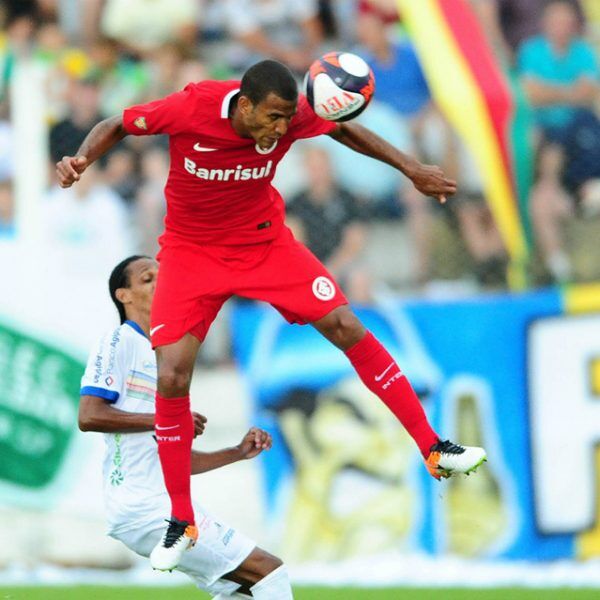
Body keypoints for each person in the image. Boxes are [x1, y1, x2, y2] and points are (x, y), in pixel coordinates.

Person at [56, 59, 487, 571]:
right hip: (192, 254)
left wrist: (411, 169)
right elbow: (117, 124)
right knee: (172, 373)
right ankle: (181, 519)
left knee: (347, 325)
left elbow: (345, 130)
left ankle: (433, 447)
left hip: (265, 244)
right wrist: (81, 159)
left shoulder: (294, 115)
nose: (283, 130)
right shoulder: (191, 106)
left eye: (288, 120)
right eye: (274, 118)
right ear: (243, 106)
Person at [79, 255, 293, 599]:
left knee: (240, 590)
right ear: (125, 296)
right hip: (146, 509)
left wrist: (236, 453)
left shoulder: (166, 353)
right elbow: (88, 416)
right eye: (148, 279)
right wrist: (168, 418)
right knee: (271, 572)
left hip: (156, 506)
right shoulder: (119, 341)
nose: (160, 282)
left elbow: (173, 460)